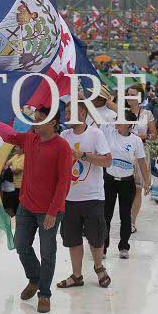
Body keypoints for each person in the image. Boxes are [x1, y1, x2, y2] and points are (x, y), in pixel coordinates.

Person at [6, 107, 73, 313]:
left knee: (47, 252)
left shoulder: (62, 147)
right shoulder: (30, 139)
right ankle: (34, 278)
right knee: (20, 244)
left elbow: (64, 182)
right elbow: (8, 135)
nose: (35, 123)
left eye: (39, 119)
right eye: (34, 119)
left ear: (53, 122)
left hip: (49, 211)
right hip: (26, 206)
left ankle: (44, 293)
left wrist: (53, 211)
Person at [58, 102, 112, 289]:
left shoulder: (95, 134)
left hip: (92, 197)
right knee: (72, 238)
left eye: (69, 112)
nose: (66, 115)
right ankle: (77, 275)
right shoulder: (64, 136)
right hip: (69, 198)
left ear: (82, 113)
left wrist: (83, 156)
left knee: (96, 238)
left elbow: (108, 161)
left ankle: (99, 268)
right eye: (65, 112)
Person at [107, 84, 157, 232]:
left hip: (140, 151)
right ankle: (123, 218)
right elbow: (109, 104)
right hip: (122, 153)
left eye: (132, 94)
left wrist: (144, 136)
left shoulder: (147, 113)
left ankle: (131, 221)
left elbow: (154, 134)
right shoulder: (123, 112)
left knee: (137, 188)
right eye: (127, 94)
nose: (129, 97)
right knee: (123, 186)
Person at [102, 112, 151, 259]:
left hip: (127, 182)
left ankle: (124, 246)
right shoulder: (109, 133)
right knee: (106, 215)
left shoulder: (136, 140)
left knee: (125, 215)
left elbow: (141, 162)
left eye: (121, 120)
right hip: (109, 181)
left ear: (129, 124)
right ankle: (103, 248)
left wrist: (147, 181)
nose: (117, 122)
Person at [3, 147, 24, 217]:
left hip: (20, 185)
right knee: (13, 204)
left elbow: (17, 171)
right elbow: (6, 164)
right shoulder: (16, 156)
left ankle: (18, 218)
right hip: (13, 185)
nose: (15, 149)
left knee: (17, 204)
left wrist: (8, 169)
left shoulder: (24, 158)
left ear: (22, 149)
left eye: (17, 147)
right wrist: (10, 169)